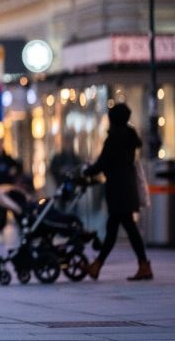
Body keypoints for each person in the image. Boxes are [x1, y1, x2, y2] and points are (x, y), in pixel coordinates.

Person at [85, 103, 153, 281]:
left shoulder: (114, 138)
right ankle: (101, 265)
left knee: (121, 229)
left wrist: (85, 171)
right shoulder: (130, 137)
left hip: (117, 190)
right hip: (127, 189)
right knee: (120, 228)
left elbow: (103, 163)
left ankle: (100, 265)